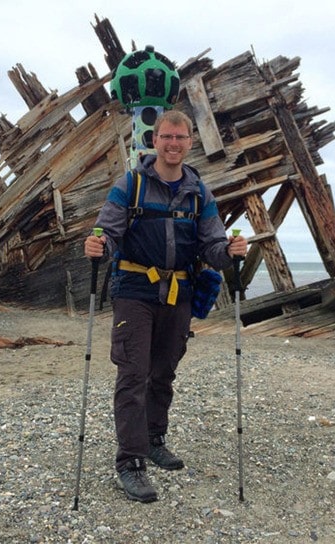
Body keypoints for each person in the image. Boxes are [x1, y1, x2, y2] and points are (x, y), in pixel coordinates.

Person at [84, 110, 247, 503]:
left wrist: (230, 251)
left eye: (181, 138)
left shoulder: (198, 192)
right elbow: (108, 231)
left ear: (190, 142)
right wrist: (98, 245)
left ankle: (155, 439)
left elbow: (212, 245)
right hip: (135, 290)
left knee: (163, 372)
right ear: (153, 140)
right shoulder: (131, 184)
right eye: (166, 137)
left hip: (179, 294)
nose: (174, 144)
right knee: (133, 373)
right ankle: (131, 462)